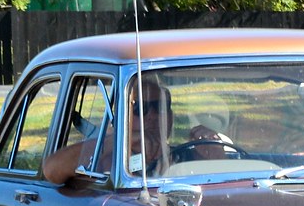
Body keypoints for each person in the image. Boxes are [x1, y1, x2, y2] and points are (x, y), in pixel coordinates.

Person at [44, 77, 224, 184]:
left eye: (160, 106)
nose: (152, 116)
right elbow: (52, 170)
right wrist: (121, 141)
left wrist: (214, 156)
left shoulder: (187, 157)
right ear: (123, 115)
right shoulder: (106, 159)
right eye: (140, 108)